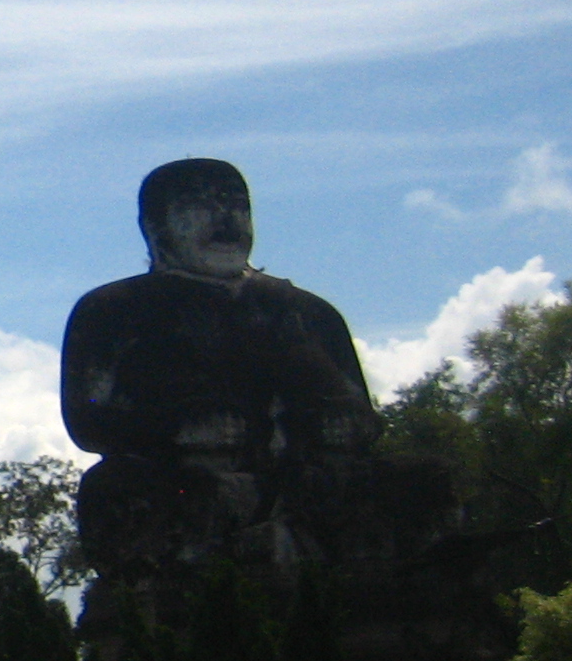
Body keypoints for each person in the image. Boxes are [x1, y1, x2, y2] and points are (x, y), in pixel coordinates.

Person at [60, 158, 379, 582]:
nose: (224, 216)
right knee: (114, 490)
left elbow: (364, 420)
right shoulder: (113, 310)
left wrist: (341, 423)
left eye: (236, 203)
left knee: (417, 483)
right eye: (200, 204)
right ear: (155, 225)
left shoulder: (309, 313)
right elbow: (87, 423)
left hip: (304, 484)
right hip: (184, 485)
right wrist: (176, 429)